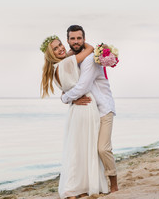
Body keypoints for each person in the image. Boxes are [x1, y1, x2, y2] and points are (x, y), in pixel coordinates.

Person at [40, 35, 109, 198]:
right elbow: (91, 49)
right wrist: (79, 43)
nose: (61, 48)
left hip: (75, 110)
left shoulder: (56, 68)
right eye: (55, 48)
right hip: (85, 107)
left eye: (60, 45)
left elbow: (65, 92)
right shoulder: (67, 63)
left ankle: (79, 186)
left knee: (77, 149)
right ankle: (73, 189)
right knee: (86, 148)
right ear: (50, 54)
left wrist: (67, 97)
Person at [61, 25, 118, 193]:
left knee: (103, 148)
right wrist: (70, 98)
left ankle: (114, 183)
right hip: (90, 111)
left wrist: (65, 98)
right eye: (73, 38)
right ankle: (90, 184)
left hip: (104, 109)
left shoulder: (90, 59)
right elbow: (68, 84)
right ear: (68, 41)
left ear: (84, 39)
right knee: (89, 151)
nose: (76, 41)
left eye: (79, 38)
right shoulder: (74, 60)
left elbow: (82, 87)